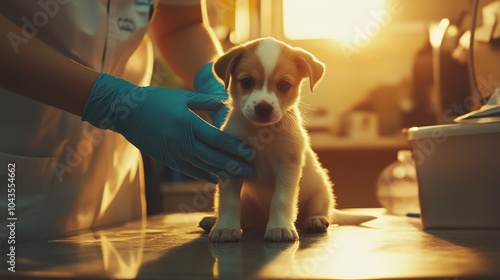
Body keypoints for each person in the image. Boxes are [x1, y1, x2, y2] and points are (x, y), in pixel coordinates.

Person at [0, 0, 254, 242]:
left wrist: (215, 83)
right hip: (18, 163)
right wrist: (110, 100)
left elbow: (182, 25)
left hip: (116, 178)